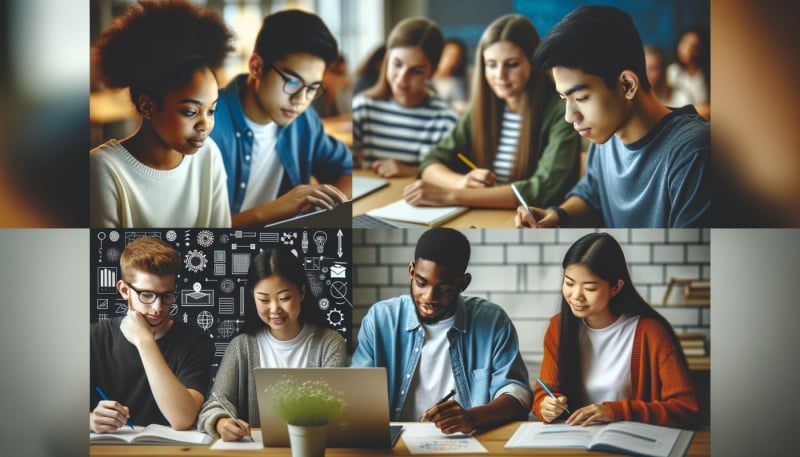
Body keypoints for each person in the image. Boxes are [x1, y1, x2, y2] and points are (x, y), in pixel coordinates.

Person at [516, 5, 710, 228]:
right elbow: (591, 196)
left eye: (580, 97)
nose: (570, 116)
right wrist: (558, 215)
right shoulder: (606, 133)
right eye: (563, 98)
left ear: (627, 84)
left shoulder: (694, 153)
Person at [350, 228, 531, 434]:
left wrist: (472, 417)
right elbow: (356, 391)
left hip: (469, 443)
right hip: (396, 445)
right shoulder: (381, 319)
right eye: (421, 283)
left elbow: (519, 395)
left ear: (462, 284)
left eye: (443, 288)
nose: (429, 297)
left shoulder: (493, 321)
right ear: (411, 272)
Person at [407, 14, 581, 210]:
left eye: (512, 64)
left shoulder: (560, 111)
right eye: (491, 65)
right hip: (484, 213)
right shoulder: (482, 108)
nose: (500, 76)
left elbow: (541, 190)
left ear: (533, 64)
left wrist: (453, 195)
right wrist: (459, 183)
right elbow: (431, 162)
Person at [533, 232, 700, 429]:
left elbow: (687, 409)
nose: (576, 295)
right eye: (569, 283)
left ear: (616, 287)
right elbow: (544, 395)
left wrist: (615, 412)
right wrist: (546, 406)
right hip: (578, 441)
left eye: (590, 288)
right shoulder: (559, 327)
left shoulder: (651, 332)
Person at [90, 0, 234, 228]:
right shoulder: (104, 168)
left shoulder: (208, 155)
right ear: (147, 107)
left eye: (212, 110)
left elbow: (221, 246)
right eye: (190, 111)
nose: (205, 124)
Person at [210, 9, 352, 227]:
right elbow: (189, 231)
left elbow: (345, 168)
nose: (301, 100)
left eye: (312, 88)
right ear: (256, 67)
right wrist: (271, 211)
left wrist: (325, 212)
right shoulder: (205, 123)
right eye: (293, 82)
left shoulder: (304, 121)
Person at [197, 246, 346, 441]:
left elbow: (335, 409)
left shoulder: (329, 343)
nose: (275, 309)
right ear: (253, 298)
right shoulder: (242, 346)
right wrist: (221, 422)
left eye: (284, 298)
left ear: (302, 292)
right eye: (264, 300)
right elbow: (215, 404)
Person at [90, 237, 213, 432]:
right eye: (147, 295)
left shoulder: (196, 342)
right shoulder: (93, 337)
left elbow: (182, 418)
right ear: (124, 290)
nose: (157, 308)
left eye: (166, 296)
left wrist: (144, 341)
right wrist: (89, 420)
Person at [352, 17, 458, 177]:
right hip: (372, 200)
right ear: (386, 60)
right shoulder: (363, 107)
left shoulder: (445, 119)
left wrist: (410, 171)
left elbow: (451, 173)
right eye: (397, 64)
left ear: (432, 72)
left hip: (415, 199)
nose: (402, 78)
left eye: (416, 71)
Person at [667, 26, 710, 120]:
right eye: (684, 43)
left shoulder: (706, 75)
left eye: (694, 46)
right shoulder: (671, 72)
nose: (687, 49)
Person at [431, 37, 470, 113]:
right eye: (449, 55)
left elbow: (461, 106)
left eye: (457, 57)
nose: (452, 61)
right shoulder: (426, 78)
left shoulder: (456, 83)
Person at [311, 52, 353, 118]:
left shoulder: (344, 90)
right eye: (336, 74)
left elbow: (348, 115)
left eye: (342, 75)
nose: (342, 80)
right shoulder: (316, 93)